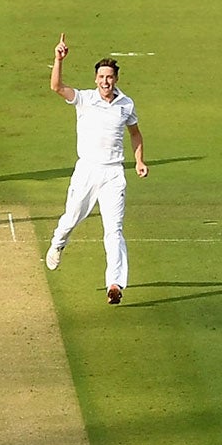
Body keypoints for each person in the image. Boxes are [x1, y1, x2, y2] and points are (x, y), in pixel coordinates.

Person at [45, 37, 146, 305]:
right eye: (101, 77)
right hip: (87, 170)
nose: (105, 81)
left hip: (113, 174)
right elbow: (56, 87)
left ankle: (114, 284)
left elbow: (135, 134)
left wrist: (139, 161)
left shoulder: (126, 104)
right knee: (71, 218)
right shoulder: (85, 99)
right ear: (95, 79)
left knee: (114, 229)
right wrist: (59, 59)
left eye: (109, 77)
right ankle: (57, 243)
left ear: (116, 79)